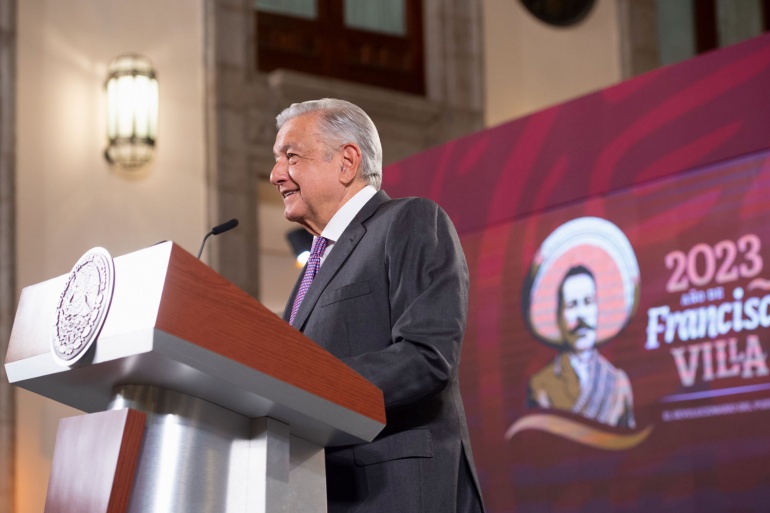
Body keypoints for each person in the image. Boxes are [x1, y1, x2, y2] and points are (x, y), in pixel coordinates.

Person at [270, 98, 485, 512]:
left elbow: (427, 356)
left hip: (396, 490)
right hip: (321, 492)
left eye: (291, 157)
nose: (276, 174)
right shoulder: (312, 268)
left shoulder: (411, 221)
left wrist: (306, 383)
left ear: (347, 162)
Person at [527, 265, 636, 428]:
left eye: (588, 302)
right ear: (559, 317)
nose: (581, 315)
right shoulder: (542, 385)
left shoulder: (618, 382)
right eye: (571, 305)